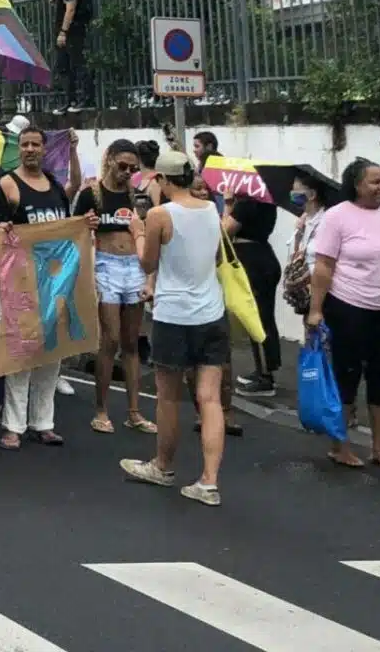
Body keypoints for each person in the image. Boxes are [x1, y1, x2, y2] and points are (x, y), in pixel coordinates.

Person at [119, 149, 227, 505]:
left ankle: (163, 466)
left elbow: (147, 260)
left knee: (168, 396)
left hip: (174, 315)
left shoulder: (158, 214)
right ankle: (209, 481)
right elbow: (212, 257)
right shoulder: (211, 209)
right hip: (211, 312)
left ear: (163, 180)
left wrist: (137, 232)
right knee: (209, 397)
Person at [306, 158, 380, 471]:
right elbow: (324, 265)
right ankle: (340, 446)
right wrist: (315, 310)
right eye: (374, 182)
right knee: (346, 375)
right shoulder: (337, 217)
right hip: (347, 306)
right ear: (356, 185)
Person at [0, 124, 70, 449]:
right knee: (21, 354)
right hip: (21, 281)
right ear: (18, 148)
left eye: (35, 144)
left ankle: (44, 422)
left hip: (54, 282)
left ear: (44, 148)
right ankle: (13, 426)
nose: (29, 149)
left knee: (50, 355)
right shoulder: (7, 184)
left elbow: (68, 225)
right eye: (24, 144)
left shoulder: (54, 184)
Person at [74, 139, 154, 436]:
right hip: (105, 266)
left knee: (131, 343)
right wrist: (85, 223)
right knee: (110, 338)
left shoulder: (137, 196)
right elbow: (74, 231)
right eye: (122, 166)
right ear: (108, 160)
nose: (127, 173)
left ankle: (134, 412)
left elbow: (149, 233)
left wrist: (149, 277)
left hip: (133, 266)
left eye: (133, 168)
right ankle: (101, 409)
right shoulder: (91, 194)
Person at [226, 177, 284, 400]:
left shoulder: (247, 203)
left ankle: (266, 378)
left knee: (258, 321)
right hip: (263, 260)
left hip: (254, 264)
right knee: (263, 319)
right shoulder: (268, 202)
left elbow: (226, 231)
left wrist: (229, 204)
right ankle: (263, 370)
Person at [48, 0, 91, 110]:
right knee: (63, 66)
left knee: (78, 65)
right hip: (64, 32)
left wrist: (63, 32)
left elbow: (70, 9)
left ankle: (86, 100)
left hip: (73, 31)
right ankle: (70, 101)